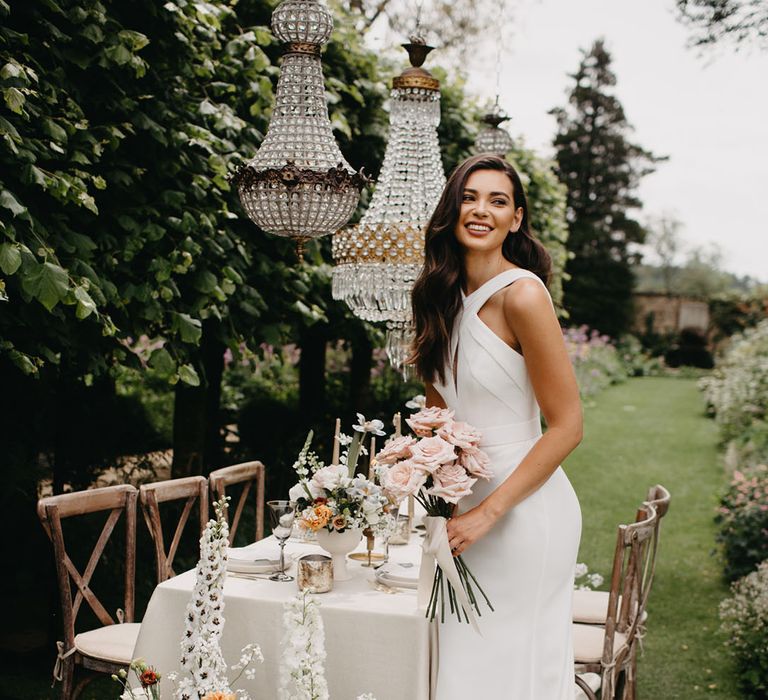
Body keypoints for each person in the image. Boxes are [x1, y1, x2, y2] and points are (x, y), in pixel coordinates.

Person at [410, 153, 583, 699]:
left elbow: (569, 425)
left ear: (516, 219)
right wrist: (431, 488)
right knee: (462, 668)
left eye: (497, 200)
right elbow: (440, 421)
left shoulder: (524, 295)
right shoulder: (438, 299)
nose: (481, 210)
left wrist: (489, 511)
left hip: (523, 512)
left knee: (512, 668)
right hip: (460, 512)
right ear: (452, 210)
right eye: (469, 197)